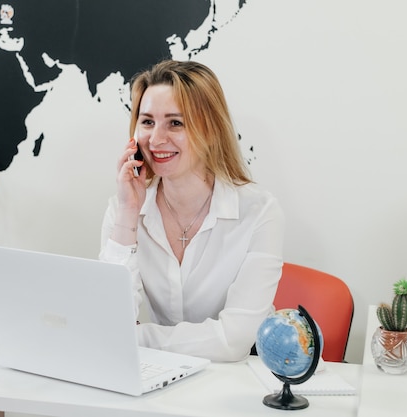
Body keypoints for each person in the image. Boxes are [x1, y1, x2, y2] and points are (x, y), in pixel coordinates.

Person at [99, 60, 284, 362]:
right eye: (147, 122)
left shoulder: (260, 212)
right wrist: (127, 217)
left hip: (236, 382)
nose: (156, 139)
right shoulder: (124, 208)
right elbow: (108, 320)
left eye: (176, 123)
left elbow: (233, 339)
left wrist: (134, 336)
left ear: (210, 130)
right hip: (158, 378)